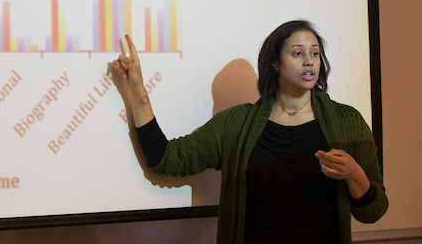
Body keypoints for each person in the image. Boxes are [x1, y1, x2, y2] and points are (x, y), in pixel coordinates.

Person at [107, 20, 388, 244]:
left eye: (314, 53)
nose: (309, 61)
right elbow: (165, 158)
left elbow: (373, 211)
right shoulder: (236, 124)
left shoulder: (348, 121)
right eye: (298, 53)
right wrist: (137, 91)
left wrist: (355, 174)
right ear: (275, 63)